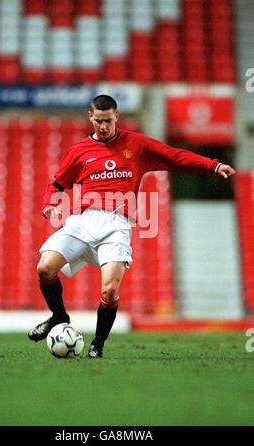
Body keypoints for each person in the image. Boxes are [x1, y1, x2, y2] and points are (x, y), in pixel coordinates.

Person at [28, 94, 236, 358]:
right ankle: (58, 317)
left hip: (117, 223)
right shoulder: (79, 151)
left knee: (109, 290)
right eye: (99, 121)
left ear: (116, 117)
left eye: (108, 120)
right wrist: (49, 203)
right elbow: (56, 184)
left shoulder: (135, 144)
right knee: (45, 267)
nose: (103, 126)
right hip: (83, 220)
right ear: (90, 117)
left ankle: (97, 344)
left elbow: (174, 156)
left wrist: (213, 165)